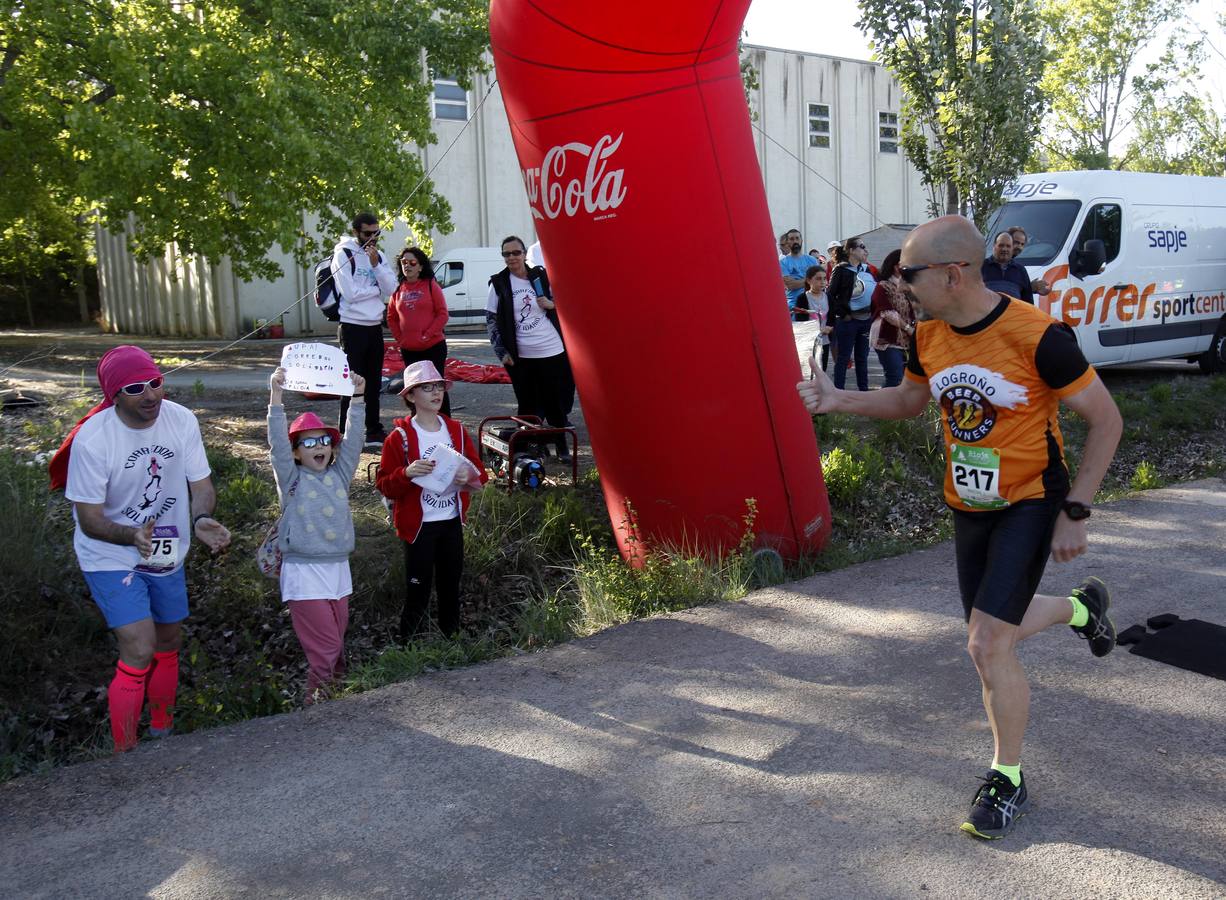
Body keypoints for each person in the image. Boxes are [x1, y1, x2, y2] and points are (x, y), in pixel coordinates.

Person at [797, 215, 1123, 841]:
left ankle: (1008, 779)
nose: (901, 286)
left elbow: (1106, 422)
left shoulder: (1038, 336)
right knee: (990, 625)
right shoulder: (929, 336)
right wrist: (839, 399)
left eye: (908, 275)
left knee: (986, 644)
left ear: (953, 273)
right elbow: (908, 403)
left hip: (1031, 499)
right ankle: (1083, 611)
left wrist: (1075, 509)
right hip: (969, 504)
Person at [54, 345, 231, 752]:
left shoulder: (181, 420)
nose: (151, 395)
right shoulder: (94, 439)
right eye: (136, 388)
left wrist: (201, 519)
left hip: (166, 544)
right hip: (109, 550)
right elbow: (90, 519)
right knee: (139, 645)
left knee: (168, 642)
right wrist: (130, 536)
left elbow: (200, 486)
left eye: (156, 383)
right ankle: (124, 752)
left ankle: (161, 731)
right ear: (114, 394)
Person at [268, 367, 366, 703]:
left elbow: (354, 443)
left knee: (336, 651)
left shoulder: (339, 475)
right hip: (304, 574)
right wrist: (276, 396)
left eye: (324, 440)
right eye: (309, 442)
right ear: (296, 452)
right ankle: (313, 712)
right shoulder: (291, 480)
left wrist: (358, 398)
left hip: (338, 569)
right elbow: (277, 444)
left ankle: (334, 710)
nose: (319, 446)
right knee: (325, 650)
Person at [376, 361, 488, 641]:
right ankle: (408, 646)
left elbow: (480, 474)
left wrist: (468, 474)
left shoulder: (457, 431)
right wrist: (407, 473)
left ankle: (452, 641)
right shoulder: (398, 437)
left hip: (451, 522)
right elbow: (385, 485)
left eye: (439, 387)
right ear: (410, 396)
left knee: (450, 585)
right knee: (418, 588)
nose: (436, 393)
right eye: (427, 388)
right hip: (418, 526)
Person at [486, 235, 575, 462]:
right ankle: (530, 446)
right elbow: (492, 320)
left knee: (554, 401)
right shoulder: (499, 283)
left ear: (525, 254)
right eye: (507, 254)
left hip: (551, 349)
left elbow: (567, 302)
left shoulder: (540, 275)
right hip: (521, 355)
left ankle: (561, 445)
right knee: (526, 403)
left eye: (516, 253)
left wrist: (552, 305)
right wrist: (502, 352)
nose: (512, 258)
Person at [332, 211, 398, 449]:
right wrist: (374, 291)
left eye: (376, 233)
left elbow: (391, 289)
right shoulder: (344, 255)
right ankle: (346, 431)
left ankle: (373, 429)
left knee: (373, 381)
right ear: (356, 232)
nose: (372, 238)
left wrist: (376, 267)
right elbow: (350, 294)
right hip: (352, 326)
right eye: (367, 234)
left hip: (373, 327)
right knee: (351, 382)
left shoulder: (378, 256)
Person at [388, 245, 451, 417]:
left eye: (412, 262)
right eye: (404, 262)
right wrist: (400, 339)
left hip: (433, 347)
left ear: (421, 266)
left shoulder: (431, 285)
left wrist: (427, 334)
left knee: (436, 388)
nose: (407, 266)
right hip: (409, 350)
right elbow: (391, 317)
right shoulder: (398, 290)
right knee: (415, 391)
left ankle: (445, 423)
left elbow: (443, 314)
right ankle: (419, 424)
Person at [827, 237, 877, 391]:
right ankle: (838, 392)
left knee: (862, 358)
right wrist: (843, 314)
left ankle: (864, 392)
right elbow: (830, 295)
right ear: (851, 250)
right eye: (861, 247)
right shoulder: (841, 269)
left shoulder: (866, 269)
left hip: (865, 320)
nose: (865, 250)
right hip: (848, 321)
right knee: (843, 358)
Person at [869, 249, 916, 388]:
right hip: (887, 338)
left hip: (907, 339)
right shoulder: (883, 286)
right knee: (894, 378)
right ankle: (882, 408)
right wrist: (908, 328)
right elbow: (888, 313)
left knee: (906, 381)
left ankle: (900, 408)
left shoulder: (909, 287)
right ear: (896, 266)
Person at [982, 231, 1034, 305]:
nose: (1004, 249)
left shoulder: (1020, 270)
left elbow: (1028, 303)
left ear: (1012, 248)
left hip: (1014, 316)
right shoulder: (981, 267)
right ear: (994, 246)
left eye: (1008, 246)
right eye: (1001, 245)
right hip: (988, 315)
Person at [780, 228, 819, 321]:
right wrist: (811, 280)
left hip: (813, 305)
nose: (795, 241)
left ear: (801, 240)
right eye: (792, 239)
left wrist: (798, 281)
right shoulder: (783, 262)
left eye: (797, 238)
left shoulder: (812, 260)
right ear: (787, 242)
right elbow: (790, 285)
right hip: (795, 307)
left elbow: (819, 282)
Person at [803, 265, 835, 372]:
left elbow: (832, 317)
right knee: (809, 369)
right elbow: (801, 321)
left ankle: (820, 388)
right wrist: (815, 331)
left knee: (822, 369)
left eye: (824, 278)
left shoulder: (828, 297)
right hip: (809, 341)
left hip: (824, 340)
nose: (822, 282)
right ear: (808, 280)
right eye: (818, 279)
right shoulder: (803, 298)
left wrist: (829, 327)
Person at [1008, 226, 1050, 297]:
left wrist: (1031, 288)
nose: (1019, 247)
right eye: (1016, 242)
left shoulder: (1020, 270)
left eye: (1022, 244)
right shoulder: (987, 265)